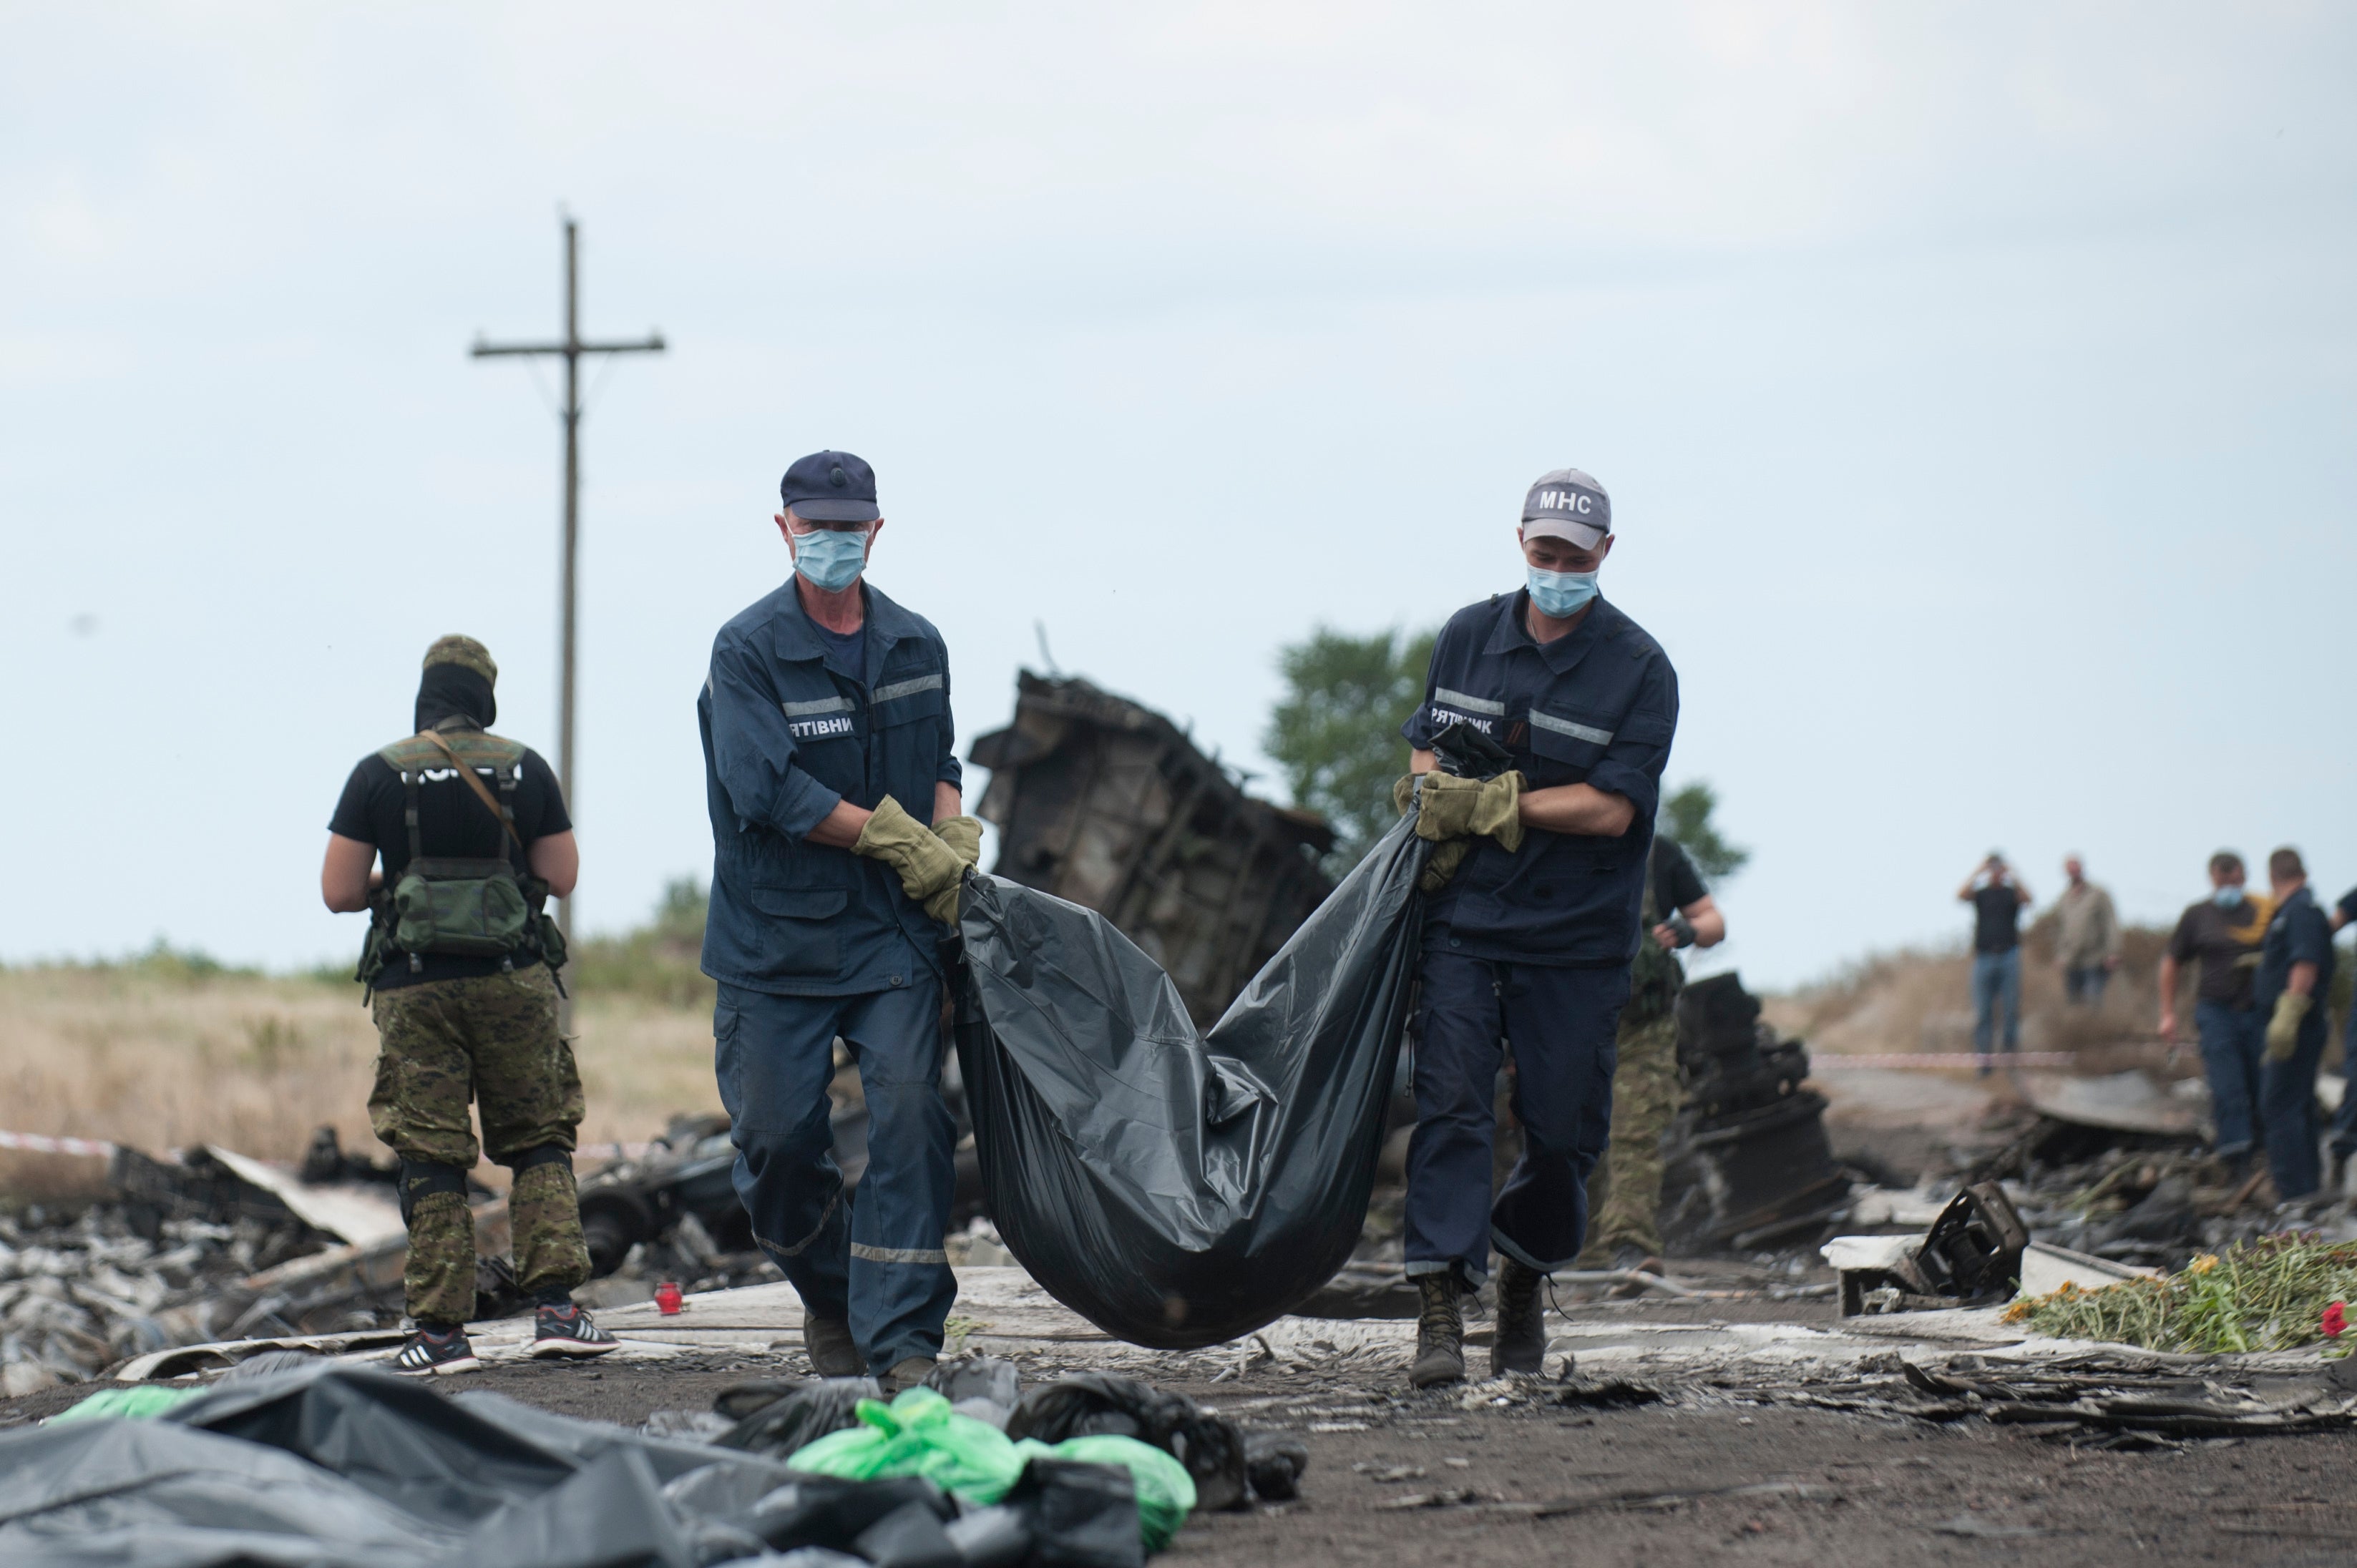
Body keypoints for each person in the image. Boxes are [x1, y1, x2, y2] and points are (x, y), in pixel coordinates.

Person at [698, 450, 981, 1395]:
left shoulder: (916, 643)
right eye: (813, 527)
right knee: (776, 1146)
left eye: (846, 527)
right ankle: (834, 1300)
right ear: (783, 531)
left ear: (875, 530)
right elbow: (764, 786)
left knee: (909, 1114)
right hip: (772, 942)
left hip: (889, 938)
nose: (831, 542)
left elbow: (940, 754)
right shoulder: (747, 651)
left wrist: (948, 835)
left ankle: (903, 1346)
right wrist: (898, 840)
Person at [1392, 466, 1678, 1388]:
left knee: (1564, 1134)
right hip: (1467, 923)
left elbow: (1612, 811)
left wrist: (1498, 802)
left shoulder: (1640, 670)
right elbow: (1427, 744)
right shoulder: (1468, 635)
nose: (1556, 568)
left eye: (1574, 555)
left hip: (1576, 939)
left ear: (1605, 554)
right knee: (1450, 1106)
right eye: (1543, 551)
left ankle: (1522, 1272)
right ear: (1522, 541)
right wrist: (1430, 791)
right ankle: (1441, 1305)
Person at [320, 635, 615, 1374]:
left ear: (427, 693)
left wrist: (401, 880)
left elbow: (339, 891)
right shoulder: (524, 766)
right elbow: (562, 873)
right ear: (485, 694)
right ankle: (555, 1309)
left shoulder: (378, 772)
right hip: (511, 979)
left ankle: (442, 1333)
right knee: (539, 1137)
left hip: (415, 987)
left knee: (431, 1151)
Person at [1573, 833, 1724, 1282]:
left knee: (1635, 1134)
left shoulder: (1660, 853)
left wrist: (1688, 931)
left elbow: (1714, 921)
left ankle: (1629, 1249)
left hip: (1645, 1026)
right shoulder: (1556, 848)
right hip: (1571, 1023)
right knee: (1573, 1139)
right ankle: (1583, 1260)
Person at [2158, 852, 2270, 1173]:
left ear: (2244, 876)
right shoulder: (2198, 915)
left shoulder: (2262, 912)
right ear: (2212, 879)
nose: (2228, 885)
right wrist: (2167, 1013)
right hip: (2215, 1012)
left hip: (2257, 1012)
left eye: (2233, 879)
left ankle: (2264, 1156)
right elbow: (2171, 962)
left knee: (2262, 1086)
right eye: (2221, 880)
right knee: (2227, 1087)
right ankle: (2235, 1160)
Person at [2254, 847, 2334, 1200]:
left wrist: (2287, 1014)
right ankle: (2308, 1191)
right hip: (2303, 1022)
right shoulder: (2298, 910)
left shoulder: (2299, 911)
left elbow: (2306, 963)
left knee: (2279, 1104)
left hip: (2297, 1024)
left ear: (2272, 877)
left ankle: (2293, 1194)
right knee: (2297, 1105)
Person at [1958, 853, 2031, 1074]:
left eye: (1999, 867)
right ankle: (1984, 1064)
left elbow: (2028, 899)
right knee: (1983, 1013)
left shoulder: (2011, 893)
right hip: (1984, 958)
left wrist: (2013, 873)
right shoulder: (1982, 894)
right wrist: (1979, 870)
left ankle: (2010, 1063)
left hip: (2009, 956)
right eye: (1993, 867)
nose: (1996, 871)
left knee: (2010, 1011)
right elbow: (1960, 895)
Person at [2053, 855, 2121, 1006]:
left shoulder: (2099, 894)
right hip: (2071, 960)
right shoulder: (2064, 898)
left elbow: (2111, 922)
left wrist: (2113, 952)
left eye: (2075, 866)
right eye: (2069, 868)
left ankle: (2095, 1029)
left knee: (2092, 1000)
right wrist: (2060, 956)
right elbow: (2061, 929)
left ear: (2082, 868)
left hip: (2095, 958)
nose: (2073, 871)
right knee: (2074, 1004)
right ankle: (2077, 1030)